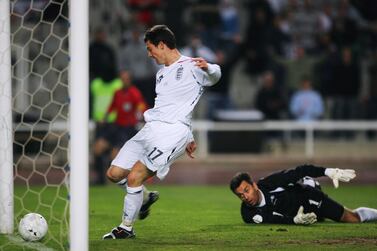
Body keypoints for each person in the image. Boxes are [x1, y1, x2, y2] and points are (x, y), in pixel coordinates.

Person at [103, 24, 222, 239]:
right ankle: (145, 198)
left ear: (162, 45)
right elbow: (177, 105)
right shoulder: (160, 74)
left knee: (135, 177)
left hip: (172, 134)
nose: (149, 54)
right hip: (151, 129)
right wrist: (193, 135)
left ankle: (126, 228)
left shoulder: (192, 66)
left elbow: (216, 75)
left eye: (150, 49)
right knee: (114, 173)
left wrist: (209, 68)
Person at [230, 164, 377, 225]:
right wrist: (294, 220)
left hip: (307, 197)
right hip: (299, 215)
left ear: (254, 185)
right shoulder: (247, 214)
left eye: (246, 190)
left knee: (351, 218)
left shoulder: (270, 183)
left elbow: (299, 171)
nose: (245, 197)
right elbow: (273, 219)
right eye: (240, 195)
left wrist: (328, 172)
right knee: (319, 219)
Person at [94, 70, 148, 183]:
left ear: (130, 80)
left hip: (128, 129)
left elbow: (142, 106)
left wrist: (141, 115)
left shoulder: (134, 93)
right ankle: (99, 179)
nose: (124, 81)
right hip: (116, 126)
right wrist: (104, 117)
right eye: (122, 79)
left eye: (127, 79)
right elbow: (112, 106)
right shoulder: (117, 92)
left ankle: (116, 180)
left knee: (114, 154)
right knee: (98, 147)